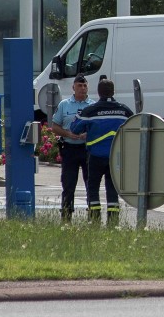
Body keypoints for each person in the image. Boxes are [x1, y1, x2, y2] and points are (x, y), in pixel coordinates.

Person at [70, 79, 133, 227]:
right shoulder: (124, 110)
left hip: (96, 156)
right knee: (112, 189)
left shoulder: (91, 110)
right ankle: (113, 222)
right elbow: (134, 127)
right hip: (115, 158)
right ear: (113, 92)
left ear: (98, 92)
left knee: (93, 188)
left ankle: (95, 220)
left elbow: (74, 128)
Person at [51, 73, 94, 223]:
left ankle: (93, 217)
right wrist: (67, 133)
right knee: (68, 184)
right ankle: (66, 217)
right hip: (69, 148)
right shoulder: (65, 105)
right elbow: (55, 126)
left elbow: (97, 127)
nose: (82, 88)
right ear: (73, 87)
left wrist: (87, 134)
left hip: (87, 149)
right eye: (79, 86)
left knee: (91, 184)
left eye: (85, 85)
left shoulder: (92, 106)